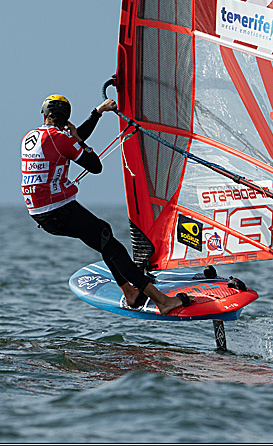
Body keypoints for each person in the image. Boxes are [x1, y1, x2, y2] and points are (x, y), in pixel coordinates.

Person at [21, 94, 188, 314]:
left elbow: (71, 141)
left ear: (44, 115)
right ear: (67, 117)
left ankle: (129, 292)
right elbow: (94, 164)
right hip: (58, 211)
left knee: (103, 235)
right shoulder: (62, 139)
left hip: (41, 212)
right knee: (111, 246)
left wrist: (97, 112)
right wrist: (79, 140)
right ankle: (162, 301)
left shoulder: (30, 136)